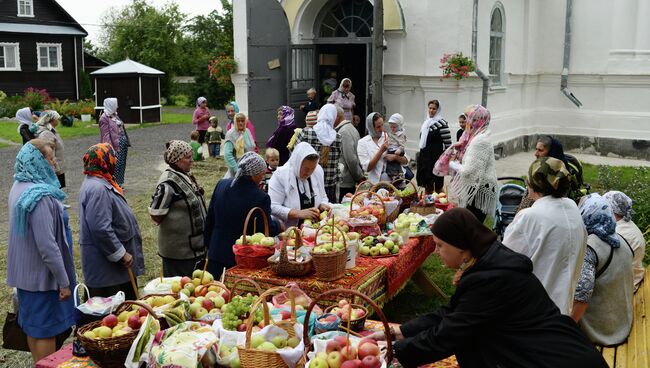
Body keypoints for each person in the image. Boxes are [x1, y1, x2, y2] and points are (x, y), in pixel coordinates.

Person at [368, 208, 608, 368]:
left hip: (555, 360)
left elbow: (450, 334)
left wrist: (395, 351)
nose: (435, 251)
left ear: (461, 246)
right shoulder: (488, 262)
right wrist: (401, 332)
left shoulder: (490, 279)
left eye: (440, 245)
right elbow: (454, 312)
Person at [7, 140, 75, 362]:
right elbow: (47, 246)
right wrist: (63, 281)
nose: (54, 162)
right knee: (46, 329)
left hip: (25, 275)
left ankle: (39, 364)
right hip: (44, 277)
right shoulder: (40, 195)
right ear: (36, 160)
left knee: (33, 327)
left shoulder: (18, 186)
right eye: (49, 157)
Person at [503, 157, 587, 314]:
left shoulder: (530, 217)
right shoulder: (572, 209)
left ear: (534, 185)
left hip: (533, 309)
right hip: (562, 308)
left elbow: (504, 262)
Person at [78, 143, 145, 300]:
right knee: (114, 314)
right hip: (108, 272)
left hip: (112, 271)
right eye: (111, 157)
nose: (114, 160)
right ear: (104, 161)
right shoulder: (98, 189)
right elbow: (100, 227)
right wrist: (121, 253)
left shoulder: (100, 182)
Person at [204, 152, 281, 279]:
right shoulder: (260, 197)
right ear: (254, 174)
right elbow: (264, 230)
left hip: (215, 252)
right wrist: (278, 225)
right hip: (240, 258)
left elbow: (210, 220)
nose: (263, 176)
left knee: (214, 292)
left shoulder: (221, 184)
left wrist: (209, 246)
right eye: (262, 173)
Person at [572, 194, 634, 346]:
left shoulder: (590, 248)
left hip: (602, 332)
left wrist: (562, 331)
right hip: (622, 322)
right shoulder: (620, 239)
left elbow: (580, 299)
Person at [149, 140, 207, 277]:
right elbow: (156, 214)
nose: (191, 160)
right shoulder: (168, 184)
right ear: (177, 160)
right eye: (188, 157)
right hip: (179, 253)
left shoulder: (185, 175)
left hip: (193, 248)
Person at [434, 105, 497, 222]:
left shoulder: (479, 141)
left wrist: (451, 163)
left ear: (479, 121)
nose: (467, 121)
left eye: (470, 118)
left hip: (478, 190)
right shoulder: (475, 136)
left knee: (470, 227)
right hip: (477, 187)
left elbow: (469, 170)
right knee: (470, 227)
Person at [269, 142, 330, 228]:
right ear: (297, 163)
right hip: (289, 231)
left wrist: (323, 204)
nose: (309, 173)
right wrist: (298, 213)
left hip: (314, 229)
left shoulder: (317, 172)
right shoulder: (281, 176)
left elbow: (323, 195)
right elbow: (273, 206)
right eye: (306, 169)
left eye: (312, 168)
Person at [296, 103, 342, 202]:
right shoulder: (337, 137)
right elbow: (339, 158)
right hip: (330, 184)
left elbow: (294, 155)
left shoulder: (306, 133)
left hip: (309, 182)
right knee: (330, 214)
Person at [604, 190, 646, 291]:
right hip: (632, 278)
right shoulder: (626, 224)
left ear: (610, 209)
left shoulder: (618, 233)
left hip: (623, 288)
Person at [358, 112, 409, 184]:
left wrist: (395, 157)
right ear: (371, 127)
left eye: (382, 125)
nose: (381, 129)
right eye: (378, 127)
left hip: (395, 182)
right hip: (376, 184)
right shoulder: (362, 142)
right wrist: (381, 151)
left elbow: (406, 161)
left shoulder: (390, 136)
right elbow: (367, 168)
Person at [417, 100, 452, 193]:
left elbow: (448, 144)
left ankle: (443, 205)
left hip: (436, 159)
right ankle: (428, 206)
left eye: (434, 109)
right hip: (425, 158)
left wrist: (444, 160)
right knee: (427, 186)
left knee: (438, 187)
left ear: (438, 110)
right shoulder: (426, 123)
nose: (431, 110)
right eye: (430, 108)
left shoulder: (442, 124)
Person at [335, 105, 365, 201]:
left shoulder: (343, 131)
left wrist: (358, 176)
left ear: (337, 117)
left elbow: (351, 159)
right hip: (349, 178)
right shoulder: (350, 128)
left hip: (346, 180)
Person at [99, 98, 130, 186]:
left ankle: (119, 183)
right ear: (111, 105)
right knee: (114, 165)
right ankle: (113, 183)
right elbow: (105, 136)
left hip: (122, 144)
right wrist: (110, 149)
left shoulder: (115, 115)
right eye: (115, 105)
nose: (117, 107)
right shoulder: (104, 118)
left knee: (121, 164)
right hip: (114, 146)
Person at [31, 110, 66, 188]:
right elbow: (49, 154)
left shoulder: (50, 130)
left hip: (57, 166)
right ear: (52, 120)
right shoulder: (46, 133)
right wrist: (56, 170)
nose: (58, 121)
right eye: (57, 119)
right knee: (55, 191)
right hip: (54, 169)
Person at [223, 112, 257, 178]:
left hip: (249, 168)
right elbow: (227, 155)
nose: (240, 123)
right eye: (238, 121)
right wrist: (237, 170)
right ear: (235, 122)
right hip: (237, 171)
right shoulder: (231, 134)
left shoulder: (247, 131)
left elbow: (252, 147)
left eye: (242, 121)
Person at [386, 113, 409, 181]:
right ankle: (393, 175)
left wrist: (399, 149)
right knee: (390, 164)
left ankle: (398, 175)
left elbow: (402, 144)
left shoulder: (401, 135)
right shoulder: (391, 133)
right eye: (391, 127)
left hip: (397, 151)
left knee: (394, 163)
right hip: (391, 150)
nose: (392, 129)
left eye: (394, 127)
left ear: (399, 126)